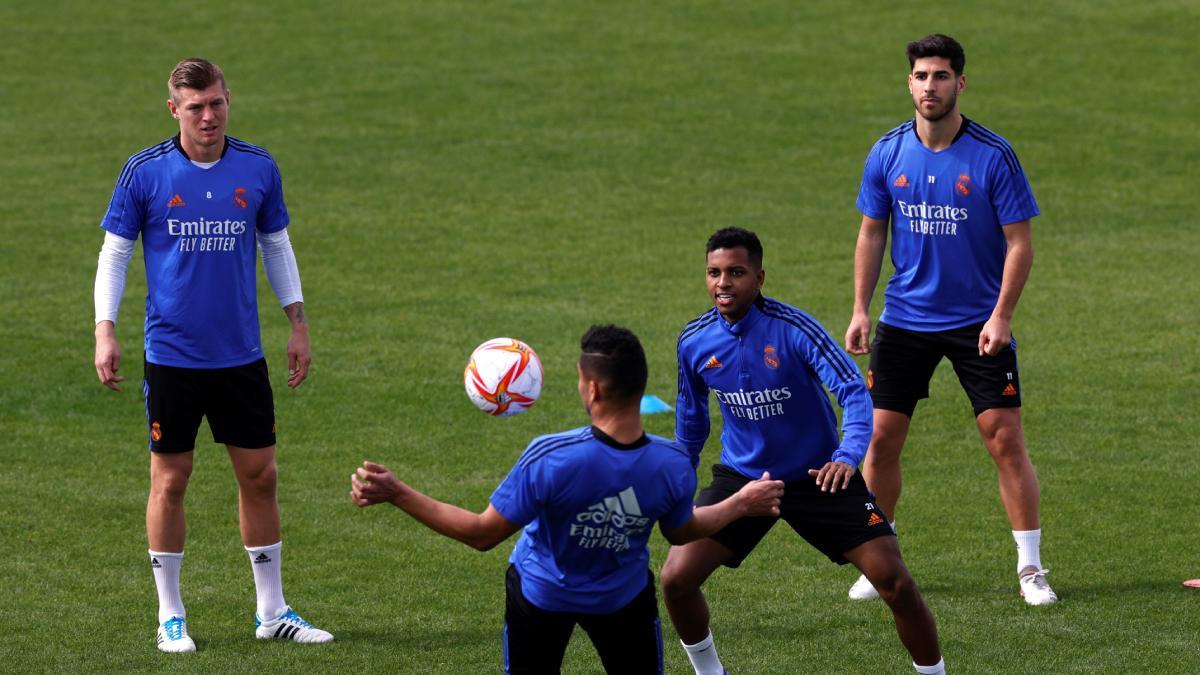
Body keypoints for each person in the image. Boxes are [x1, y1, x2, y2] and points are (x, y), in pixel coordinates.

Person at [350, 325, 785, 674]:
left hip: (541, 596)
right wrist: (740, 503)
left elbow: (482, 534)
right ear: (639, 386)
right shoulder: (671, 464)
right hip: (623, 599)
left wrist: (397, 492)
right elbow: (682, 530)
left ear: (593, 389)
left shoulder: (550, 457)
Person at [92, 58, 331, 652]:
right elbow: (115, 254)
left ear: (229, 101)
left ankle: (272, 610)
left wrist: (297, 323)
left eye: (217, 103)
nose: (208, 116)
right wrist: (105, 330)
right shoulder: (144, 172)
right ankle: (170, 615)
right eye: (195, 106)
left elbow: (276, 243)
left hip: (240, 357)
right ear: (174, 109)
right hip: (172, 357)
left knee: (261, 475)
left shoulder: (258, 167)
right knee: (171, 480)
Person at [662, 228, 944, 675]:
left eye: (736, 272)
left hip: (820, 474)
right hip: (745, 481)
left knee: (895, 582)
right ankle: (710, 672)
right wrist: (677, 477)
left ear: (759, 277)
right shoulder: (695, 342)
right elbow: (691, 422)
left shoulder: (794, 328)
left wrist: (847, 457)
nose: (723, 283)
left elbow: (853, 391)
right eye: (714, 273)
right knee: (676, 580)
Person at [844, 34, 1057, 606]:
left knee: (1004, 438)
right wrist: (862, 308)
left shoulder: (993, 154)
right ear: (908, 83)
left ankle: (1031, 569)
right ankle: (876, 558)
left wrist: (1002, 315)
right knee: (882, 439)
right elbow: (871, 232)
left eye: (941, 76)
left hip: (976, 324)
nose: (930, 86)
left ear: (960, 83)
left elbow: (1020, 243)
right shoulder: (887, 152)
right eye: (921, 76)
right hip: (905, 319)